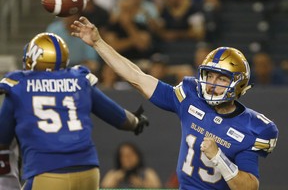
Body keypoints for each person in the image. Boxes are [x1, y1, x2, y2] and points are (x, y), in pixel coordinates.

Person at [71, 17, 279, 190]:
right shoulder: (190, 98)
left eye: (221, 79)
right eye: (209, 76)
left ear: (238, 84)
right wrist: (98, 42)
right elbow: (137, 77)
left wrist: (219, 158)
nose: (212, 84)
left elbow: (249, 187)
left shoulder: (252, 128)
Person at [0, 32, 149, 190]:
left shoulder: (19, 86)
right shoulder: (79, 80)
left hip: (47, 170)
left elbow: (3, 137)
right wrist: (136, 122)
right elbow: (117, 117)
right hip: (88, 170)